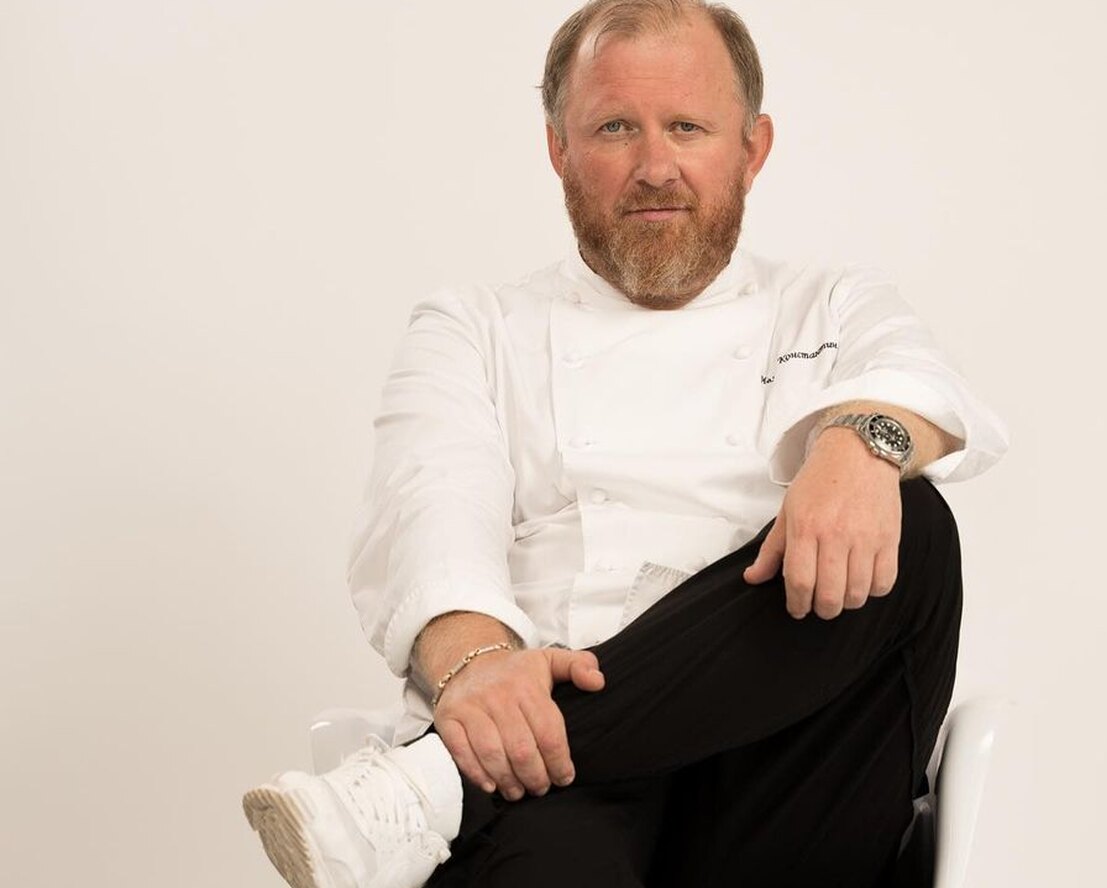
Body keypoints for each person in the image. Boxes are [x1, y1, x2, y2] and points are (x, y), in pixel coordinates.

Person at [242, 1, 1008, 886]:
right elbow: (428, 511)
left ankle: (432, 788)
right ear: (558, 150)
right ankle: (468, 779)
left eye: (688, 127)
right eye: (614, 128)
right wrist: (478, 667)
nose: (654, 167)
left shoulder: (830, 306)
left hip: (785, 784)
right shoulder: (474, 329)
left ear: (752, 149)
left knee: (911, 517)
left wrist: (853, 445)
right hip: (547, 777)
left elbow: (921, 383)